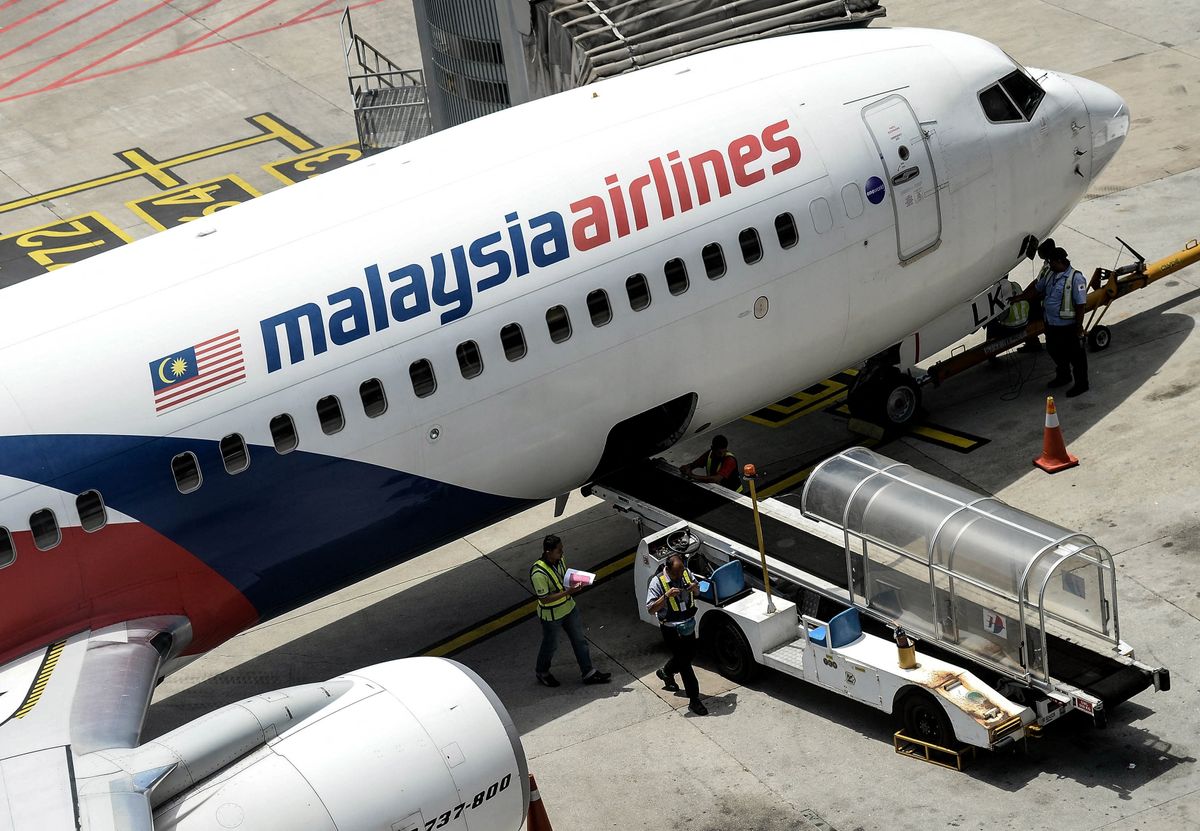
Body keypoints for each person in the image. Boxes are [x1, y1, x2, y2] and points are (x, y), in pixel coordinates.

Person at [531, 534, 611, 687]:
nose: (562, 553)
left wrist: (576, 581)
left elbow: (564, 578)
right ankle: (542, 671)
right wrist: (568, 592)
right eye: (559, 550)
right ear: (548, 552)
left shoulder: (560, 560)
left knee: (579, 641)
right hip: (552, 616)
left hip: (569, 608)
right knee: (550, 645)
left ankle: (588, 673)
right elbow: (544, 599)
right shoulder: (538, 573)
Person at [646, 552, 707, 715]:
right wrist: (665, 596)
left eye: (681, 572)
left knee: (689, 655)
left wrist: (695, 589)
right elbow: (651, 609)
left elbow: (698, 593)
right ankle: (694, 700)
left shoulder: (686, 573)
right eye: (676, 574)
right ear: (667, 569)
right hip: (671, 629)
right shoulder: (657, 582)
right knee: (686, 664)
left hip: (688, 624)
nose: (679, 576)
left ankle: (665, 672)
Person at [1027, 246, 1089, 397]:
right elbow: (1037, 288)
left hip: (1068, 326)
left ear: (1060, 261)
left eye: (1052, 262)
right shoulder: (1051, 274)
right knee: (1053, 350)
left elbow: (1081, 305)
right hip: (1051, 324)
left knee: (1076, 357)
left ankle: (1082, 384)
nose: (1050, 265)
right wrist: (1020, 297)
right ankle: (1064, 375)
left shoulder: (1076, 278)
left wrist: (1079, 326)